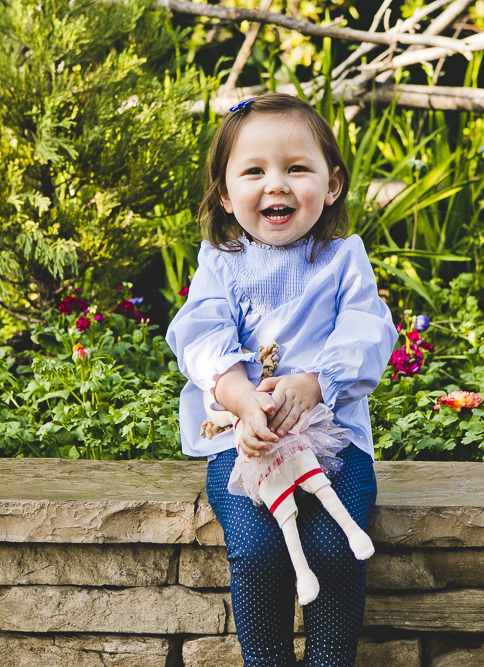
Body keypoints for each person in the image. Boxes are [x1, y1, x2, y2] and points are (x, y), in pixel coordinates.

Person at [166, 93, 397, 667]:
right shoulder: (219, 262)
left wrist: (317, 381)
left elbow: (369, 332)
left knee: (334, 545)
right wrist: (243, 401)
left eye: (297, 168)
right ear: (225, 192)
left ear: (333, 183)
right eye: (254, 171)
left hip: (334, 437)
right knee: (257, 547)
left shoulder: (345, 259)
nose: (277, 184)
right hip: (245, 444)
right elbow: (199, 336)